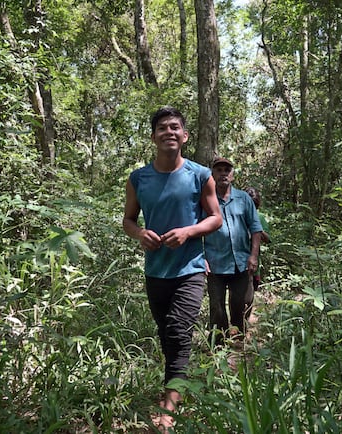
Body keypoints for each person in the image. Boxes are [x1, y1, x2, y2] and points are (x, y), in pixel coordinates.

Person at [122, 106, 222, 431]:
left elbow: (215, 217)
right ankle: (177, 383)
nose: (169, 132)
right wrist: (139, 234)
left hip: (190, 269)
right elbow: (128, 219)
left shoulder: (199, 174)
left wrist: (188, 232)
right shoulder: (139, 179)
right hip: (155, 271)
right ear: (153, 137)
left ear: (185, 135)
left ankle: (168, 409)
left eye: (175, 127)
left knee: (179, 331)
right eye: (163, 128)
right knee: (168, 334)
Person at [204, 157, 263, 347]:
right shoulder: (205, 199)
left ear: (232, 175)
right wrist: (201, 258)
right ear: (212, 174)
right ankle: (218, 343)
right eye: (219, 170)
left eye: (226, 170)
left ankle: (238, 338)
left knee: (241, 302)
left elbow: (255, 228)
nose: (223, 173)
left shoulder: (243, 198)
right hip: (215, 263)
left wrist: (253, 256)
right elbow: (196, 230)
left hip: (241, 262)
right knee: (217, 306)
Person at [244, 186, 270, 292]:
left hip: (253, 262)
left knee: (250, 293)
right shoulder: (237, 216)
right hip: (237, 263)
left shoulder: (260, 217)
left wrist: (257, 228)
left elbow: (268, 240)